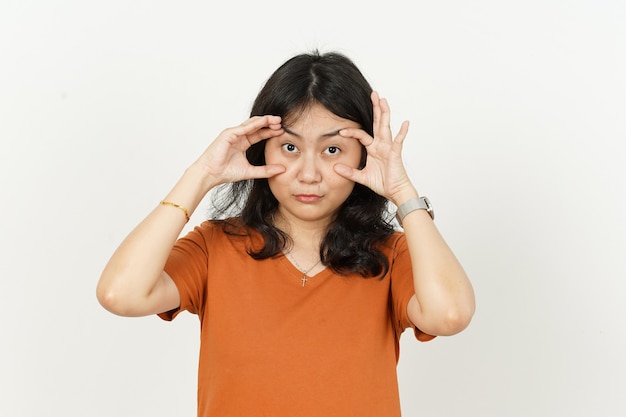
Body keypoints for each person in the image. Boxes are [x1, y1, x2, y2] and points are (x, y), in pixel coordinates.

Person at [97, 50, 475, 417]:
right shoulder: (215, 246)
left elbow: (450, 315)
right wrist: (200, 176)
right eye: (290, 147)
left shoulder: (391, 255)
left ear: (363, 155)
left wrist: (403, 192)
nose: (308, 173)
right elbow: (121, 294)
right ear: (262, 148)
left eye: (332, 149)